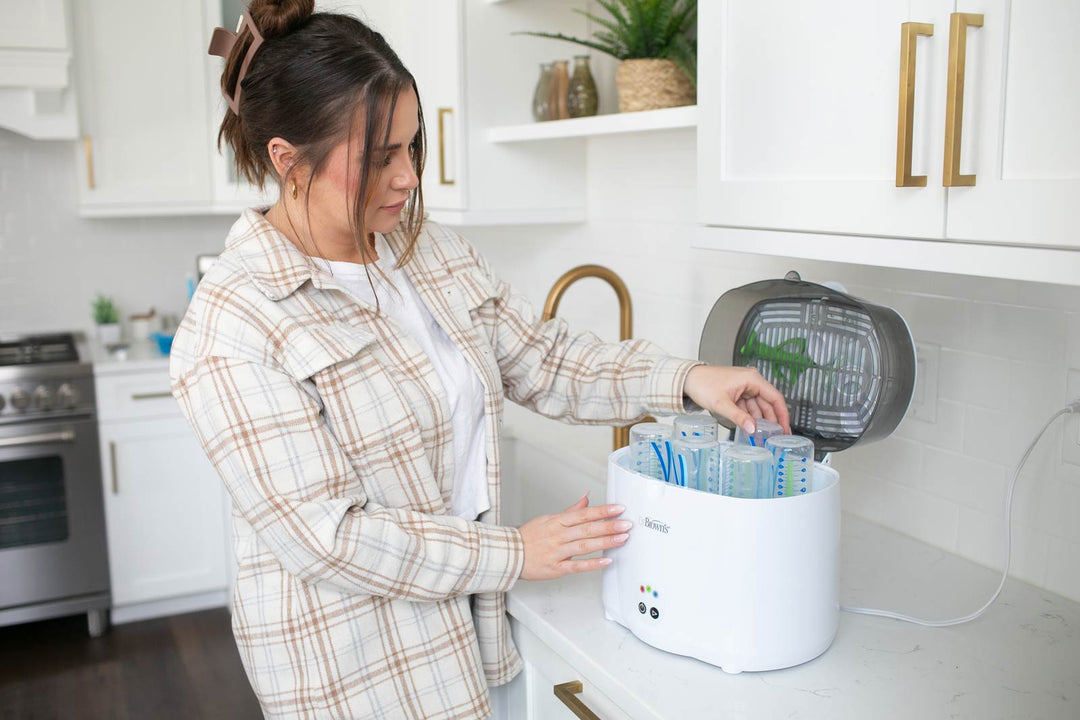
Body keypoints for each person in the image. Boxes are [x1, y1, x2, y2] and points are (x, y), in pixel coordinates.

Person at [172, 2, 790, 718]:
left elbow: (542, 358)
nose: (406, 178)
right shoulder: (232, 325)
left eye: (412, 148)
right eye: (379, 156)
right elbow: (329, 537)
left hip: (465, 621)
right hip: (353, 661)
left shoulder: (421, 249)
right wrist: (516, 553)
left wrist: (688, 379)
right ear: (288, 160)